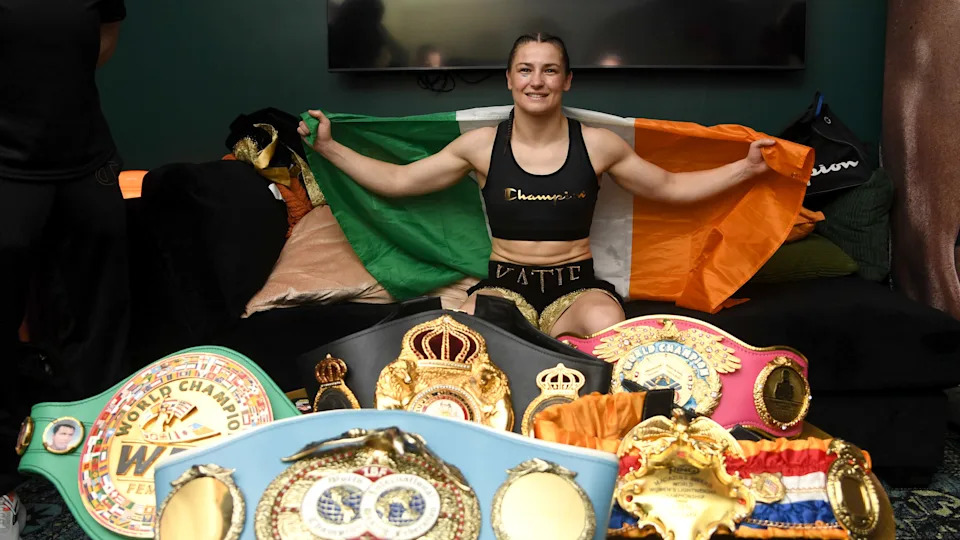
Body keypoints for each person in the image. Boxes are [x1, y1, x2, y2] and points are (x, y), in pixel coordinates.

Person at [298, 32, 774, 338]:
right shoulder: (481, 146)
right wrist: (328, 149)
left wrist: (747, 169)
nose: (537, 81)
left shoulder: (599, 145)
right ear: (509, 79)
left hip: (577, 291)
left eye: (549, 70)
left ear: (567, 81)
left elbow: (669, 187)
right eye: (526, 69)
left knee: (613, 330)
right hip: (506, 291)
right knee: (463, 338)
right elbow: (399, 182)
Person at [0, 1, 128, 538]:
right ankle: (5, 490)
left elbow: (102, 40)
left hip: (85, 160)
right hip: (6, 166)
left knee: (101, 312)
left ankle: (101, 461)